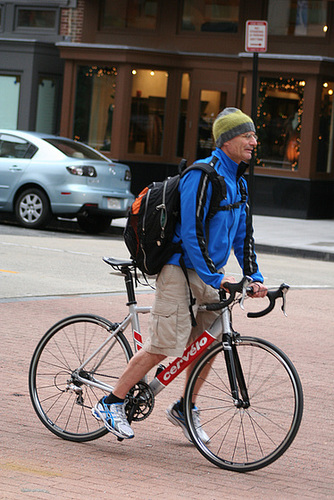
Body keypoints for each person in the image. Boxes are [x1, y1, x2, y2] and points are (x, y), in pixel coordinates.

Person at [92, 107, 268, 441]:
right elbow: (191, 234)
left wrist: (253, 276)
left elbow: (243, 235)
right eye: (248, 136)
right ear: (228, 139)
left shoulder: (239, 183)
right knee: (163, 344)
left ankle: (185, 407)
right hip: (178, 267)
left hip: (209, 271)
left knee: (207, 341)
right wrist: (217, 279)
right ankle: (110, 401)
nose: (254, 142)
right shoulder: (201, 177)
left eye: (254, 135)